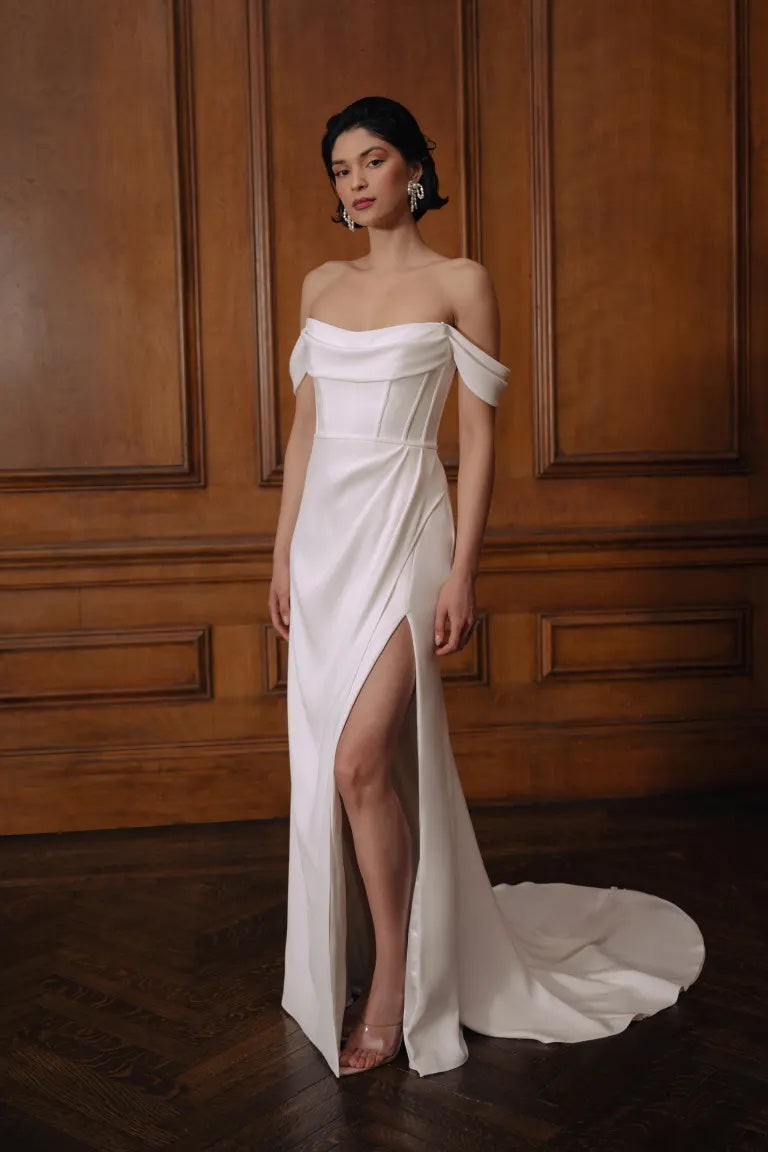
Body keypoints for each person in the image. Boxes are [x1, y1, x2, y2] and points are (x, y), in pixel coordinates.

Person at [269, 96, 705, 1079]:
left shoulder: (462, 280)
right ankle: (397, 944)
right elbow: (303, 430)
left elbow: (477, 437)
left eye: (375, 161)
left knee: (357, 764)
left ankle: (392, 982)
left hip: (406, 534)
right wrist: (280, 550)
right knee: (347, 776)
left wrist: (464, 570)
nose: (358, 181)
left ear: (415, 168)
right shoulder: (319, 284)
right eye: (342, 170)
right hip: (325, 547)